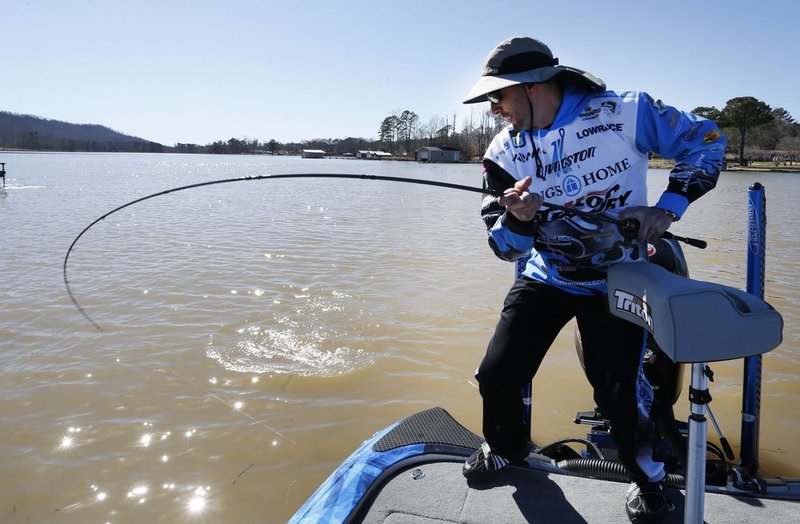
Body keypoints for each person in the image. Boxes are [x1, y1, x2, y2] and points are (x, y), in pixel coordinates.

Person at [461, 36, 725, 523]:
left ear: (534, 86)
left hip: (620, 278)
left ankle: (647, 478)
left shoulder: (627, 112)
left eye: (499, 96)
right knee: (498, 374)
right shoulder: (502, 151)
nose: (495, 109)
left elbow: (707, 140)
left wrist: (667, 208)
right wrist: (518, 219)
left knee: (619, 392)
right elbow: (502, 248)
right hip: (547, 277)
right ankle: (504, 446)